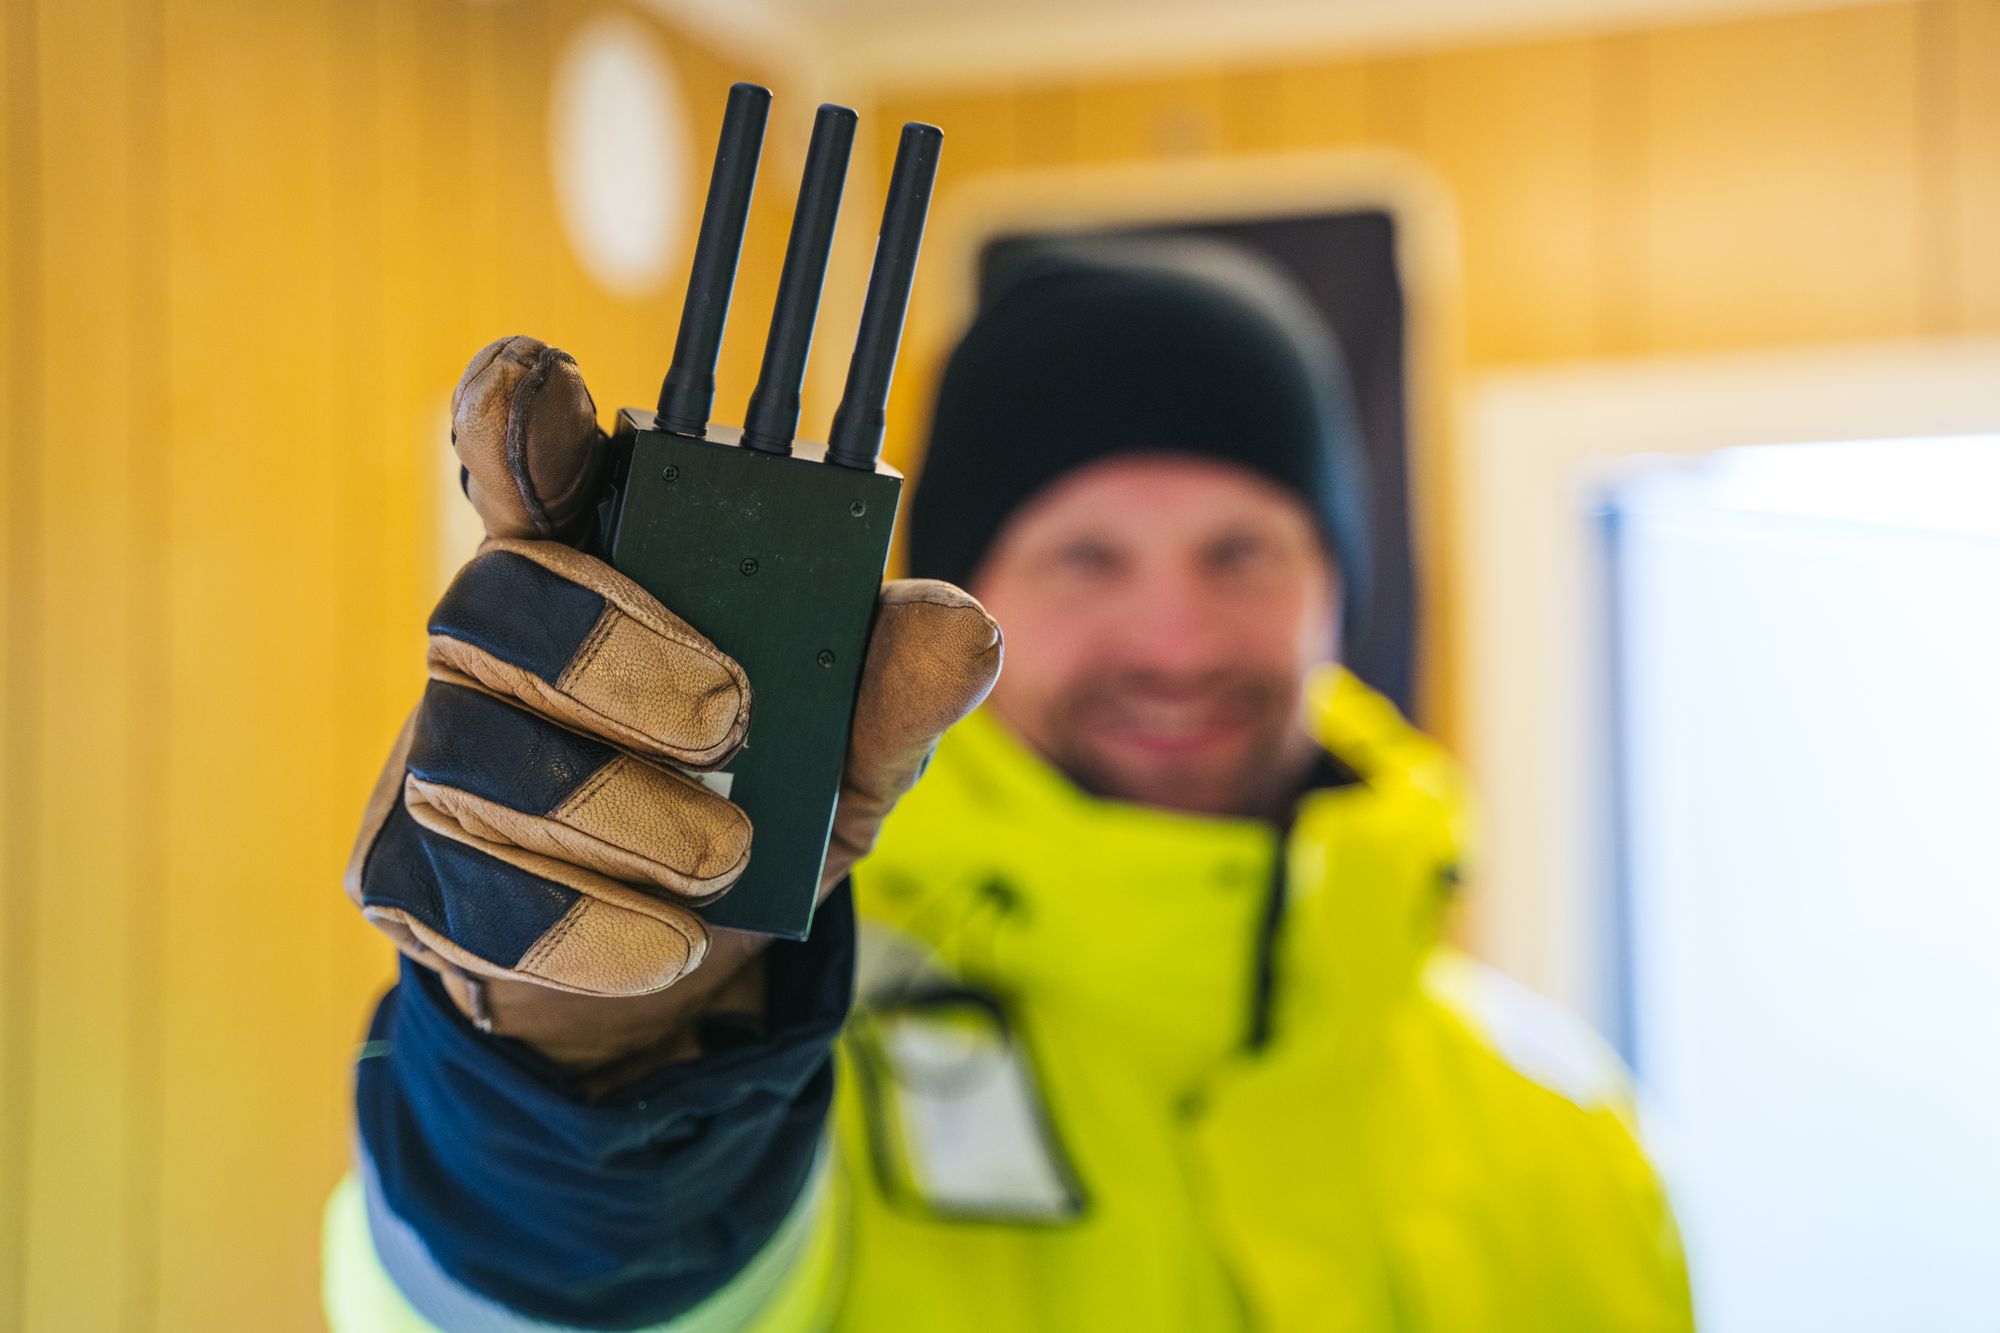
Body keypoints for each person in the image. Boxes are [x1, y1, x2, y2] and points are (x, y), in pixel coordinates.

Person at [324, 244, 1695, 1331]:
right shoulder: (786, 1024)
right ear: (958, 605)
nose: (1176, 636)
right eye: (1087, 557)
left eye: (1243, 550)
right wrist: (589, 1101)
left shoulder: (1568, 1122)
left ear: (1339, 583)